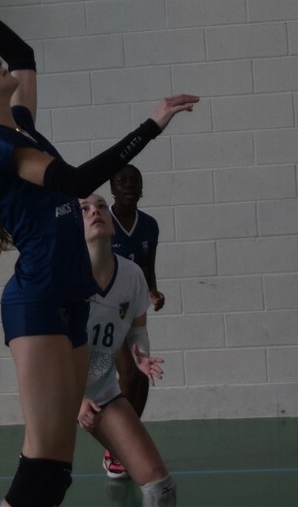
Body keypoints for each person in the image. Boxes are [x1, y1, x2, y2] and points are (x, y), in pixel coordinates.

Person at [0, 0, 197, 507]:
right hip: (37, 300)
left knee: (54, 476)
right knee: (41, 471)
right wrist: (151, 125)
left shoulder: (21, 127)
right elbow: (77, 180)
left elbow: (22, 54)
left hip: (70, 299)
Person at [77, 193, 176, 505]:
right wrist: (74, 398)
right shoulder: (60, 278)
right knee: (40, 487)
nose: (95, 211)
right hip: (56, 395)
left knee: (161, 488)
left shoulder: (132, 275)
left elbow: (137, 329)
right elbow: (45, 355)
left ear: (113, 225)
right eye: (84, 209)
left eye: (101, 206)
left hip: (102, 391)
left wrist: (140, 355)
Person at [104, 164, 163, 480]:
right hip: (106, 313)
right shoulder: (103, 222)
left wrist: (153, 292)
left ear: (142, 188)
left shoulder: (149, 225)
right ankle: (116, 446)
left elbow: (148, 268)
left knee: (142, 376)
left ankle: (126, 442)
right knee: (127, 373)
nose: (129, 185)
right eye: (122, 180)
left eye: (135, 180)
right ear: (112, 188)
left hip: (135, 313)